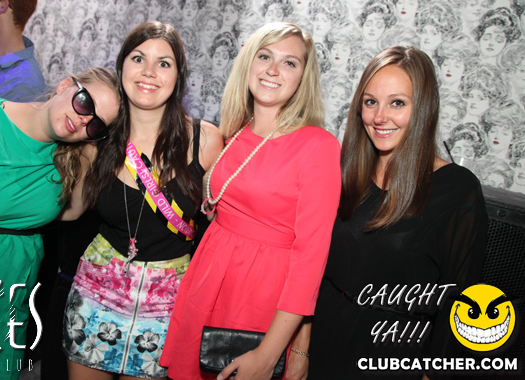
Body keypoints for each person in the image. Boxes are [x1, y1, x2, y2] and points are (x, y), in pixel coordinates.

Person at [160, 22, 342, 380]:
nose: (273, 69)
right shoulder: (235, 131)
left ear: (303, 77)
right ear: (249, 62)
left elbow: (311, 261)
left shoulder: (318, 146)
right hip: (208, 282)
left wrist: (270, 354)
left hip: (261, 297)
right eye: (265, 56)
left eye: (289, 62)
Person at [0, 67, 121, 380]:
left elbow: (70, 212)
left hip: (6, 288)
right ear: (65, 85)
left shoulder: (73, 153)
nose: (85, 119)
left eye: (97, 124)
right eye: (85, 103)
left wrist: (91, 148)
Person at [309, 46, 488, 379]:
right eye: (370, 102)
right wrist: (299, 349)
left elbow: (460, 305)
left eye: (397, 103)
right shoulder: (345, 172)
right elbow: (314, 272)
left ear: (423, 108)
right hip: (325, 339)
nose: (380, 117)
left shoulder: (457, 189)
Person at [60, 21, 223, 379]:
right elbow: (71, 211)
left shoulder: (205, 141)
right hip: (96, 292)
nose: (149, 71)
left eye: (164, 63)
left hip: (167, 302)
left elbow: (223, 225)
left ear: (178, 77)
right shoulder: (99, 137)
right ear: (122, 66)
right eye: (138, 58)